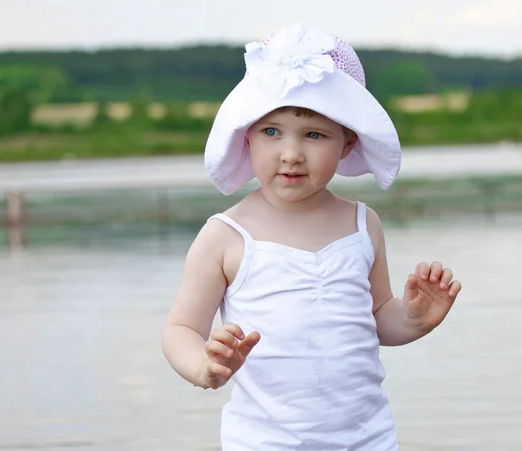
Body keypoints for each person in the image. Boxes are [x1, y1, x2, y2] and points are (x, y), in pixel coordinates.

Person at [161, 23, 462, 450]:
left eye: (314, 135)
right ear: (246, 135)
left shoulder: (362, 224)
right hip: (264, 442)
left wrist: (413, 318)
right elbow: (180, 327)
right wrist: (202, 365)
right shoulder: (226, 237)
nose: (291, 153)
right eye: (271, 131)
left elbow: (376, 319)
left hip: (367, 439)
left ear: (346, 144)